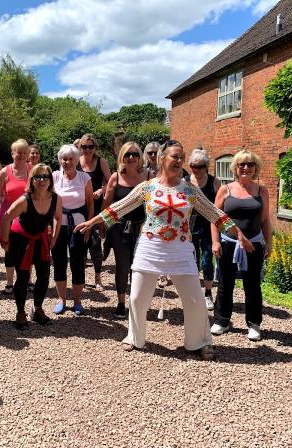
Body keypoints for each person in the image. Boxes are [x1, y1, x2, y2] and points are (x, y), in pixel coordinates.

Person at [75, 140, 248, 358]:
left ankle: (200, 341)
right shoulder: (147, 187)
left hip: (181, 250)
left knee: (194, 300)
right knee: (137, 298)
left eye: (181, 157)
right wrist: (92, 222)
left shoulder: (190, 190)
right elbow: (119, 208)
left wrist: (239, 234)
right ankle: (134, 337)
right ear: (162, 159)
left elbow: (214, 212)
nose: (179, 161)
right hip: (150, 247)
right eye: (175, 156)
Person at [210, 150, 271, 341]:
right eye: (241, 164)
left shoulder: (261, 191)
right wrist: (215, 241)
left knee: (252, 285)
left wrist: (268, 243)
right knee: (225, 283)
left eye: (250, 164)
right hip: (228, 243)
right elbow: (215, 218)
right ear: (235, 168)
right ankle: (222, 321)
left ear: (256, 168)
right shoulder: (225, 190)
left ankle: (254, 324)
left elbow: (265, 220)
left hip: (253, 245)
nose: (245, 168)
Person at [0, 164, 62, 329]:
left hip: (41, 239)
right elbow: (6, 218)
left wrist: (54, 236)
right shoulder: (24, 200)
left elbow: (57, 217)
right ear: (32, 180)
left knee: (44, 275)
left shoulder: (56, 199)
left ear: (50, 180)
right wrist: (5, 241)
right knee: (22, 277)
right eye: (38, 177)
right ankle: (20, 312)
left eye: (45, 176)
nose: (42, 180)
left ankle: (37, 308)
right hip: (21, 240)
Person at [101, 142, 148, 319]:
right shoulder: (116, 177)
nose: (131, 158)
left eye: (135, 154)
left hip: (143, 229)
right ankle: (121, 302)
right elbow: (107, 205)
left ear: (140, 157)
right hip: (120, 228)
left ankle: (137, 302)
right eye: (127, 154)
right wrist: (102, 227)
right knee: (122, 266)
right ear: (122, 156)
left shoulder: (149, 176)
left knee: (140, 267)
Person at [51, 144, 94, 315]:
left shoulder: (85, 179)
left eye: (70, 159)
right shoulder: (54, 176)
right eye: (64, 158)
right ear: (60, 160)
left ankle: (77, 301)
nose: (67, 162)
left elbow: (90, 204)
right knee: (59, 262)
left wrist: (89, 225)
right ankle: (61, 299)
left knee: (78, 263)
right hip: (58, 225)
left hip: (79, 226)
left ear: (76, 160)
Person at [0, 139, 30, 294]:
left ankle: (25, 281)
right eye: (17, 152)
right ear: (12, 153)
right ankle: (9, 283)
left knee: (27, 250)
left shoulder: (32, 170)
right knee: (8, 249)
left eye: (23, 152)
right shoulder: (4, 172)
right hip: (8, 216)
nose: (20, 155)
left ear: (28, 154)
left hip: (27, 217)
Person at [77, 133, 111, 290]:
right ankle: (81, 279)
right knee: (80, 244)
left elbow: (111, 183)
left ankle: (98, 278)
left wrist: (100, 190)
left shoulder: (100, 162)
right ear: (80, 147)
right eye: (84, 147)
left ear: (95, 148)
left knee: (96, 243)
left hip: (96, 208)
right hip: (78, 208)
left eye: (90, 147)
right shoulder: (76, 161)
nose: (87, 150)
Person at [188, 148, 221, 310]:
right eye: (193, 166)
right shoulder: (185, 181)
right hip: (190, 224)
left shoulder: (215, 182)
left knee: (207, 259)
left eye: (200, 166)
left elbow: (218, 207)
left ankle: (208, 292)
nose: (196, 169)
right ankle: (193, 292)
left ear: (206, 166)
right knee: (191, 259)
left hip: (209, 224)